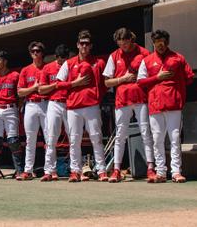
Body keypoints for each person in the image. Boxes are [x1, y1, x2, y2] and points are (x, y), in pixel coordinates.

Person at [137, 30, 194, 183]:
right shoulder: (147, 60)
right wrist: (157, 78)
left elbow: (189, 78)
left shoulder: (178, 58)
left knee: (175, 138)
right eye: (157, 42)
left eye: (162, 42)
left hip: (174, 105)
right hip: (155, 105)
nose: (160, 45)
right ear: (153, 43)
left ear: (167, 42)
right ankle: (161, 172)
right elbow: (140, 82)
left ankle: (176, 172)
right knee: (157, 139)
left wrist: (177, 87)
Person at [103, 28, 155, 183]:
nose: (123, 46)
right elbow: (107, 82)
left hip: (141, 98)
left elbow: (152, 75)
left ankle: (151, 168)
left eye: (125, 42)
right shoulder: (114, 55)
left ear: (131, 39)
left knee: (146, 132)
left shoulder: (144, 53)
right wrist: (123, 79)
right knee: (120, 135)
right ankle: (117, 169)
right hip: (122, 100)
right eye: (120, 43)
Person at [56, 30, 108, 182]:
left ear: (90, 46)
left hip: (92, 106)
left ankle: (102, 170)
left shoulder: (98, 63)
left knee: (96, 138)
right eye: (82, 43)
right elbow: (59, 85)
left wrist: (97, 97)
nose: (84, 46)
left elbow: (104, 85)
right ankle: (75, 171)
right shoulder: (69, 63)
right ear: (77, 45)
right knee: (74, 140)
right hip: (73, 107)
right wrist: (75, 83)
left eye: (87, 44)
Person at [0, 50, 24, 180]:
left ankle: (19, 171)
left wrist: (17, 107)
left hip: (10, 108)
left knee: (13, 141)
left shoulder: (15, 75)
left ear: (5, 61)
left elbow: (20, 95)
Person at [38, 44, 70, 181]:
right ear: (56, 57)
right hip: (54, 103)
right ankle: (49, 171)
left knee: (73, 137)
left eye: (65, 58)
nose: (62, 60)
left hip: (69, 103)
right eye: (60, 58)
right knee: (51, 138)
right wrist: (55, 85)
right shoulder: (48, 67)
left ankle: (76, 170)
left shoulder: (71, 66)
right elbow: (41, 90)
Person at [17, 42, 48, 181]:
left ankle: (49, 170)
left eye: (38, 51)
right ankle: (28, 170)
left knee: (49, 138)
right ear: (30, 53)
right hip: (30, 104)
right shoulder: (25, 70)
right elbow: (20, 92)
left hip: (46, 103)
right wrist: (34, 88)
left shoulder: (48, 68)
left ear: (42, 53)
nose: (36, 53)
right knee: (30, 139)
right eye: (33, 51)